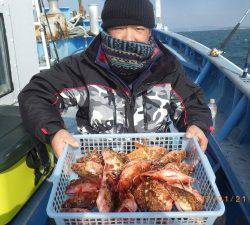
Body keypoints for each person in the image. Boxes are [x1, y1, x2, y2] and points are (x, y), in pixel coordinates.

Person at [18, 0, 213, 158]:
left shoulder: (167, 67)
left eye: (139, 28)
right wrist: (54, 131)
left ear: (149, 31)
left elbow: (192, 102)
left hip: (154, 166)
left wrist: (197, 125)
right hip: (100, 169)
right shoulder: (82, 67)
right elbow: (35, 94)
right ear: (107, 29)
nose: (129, 37)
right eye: (119, 27)